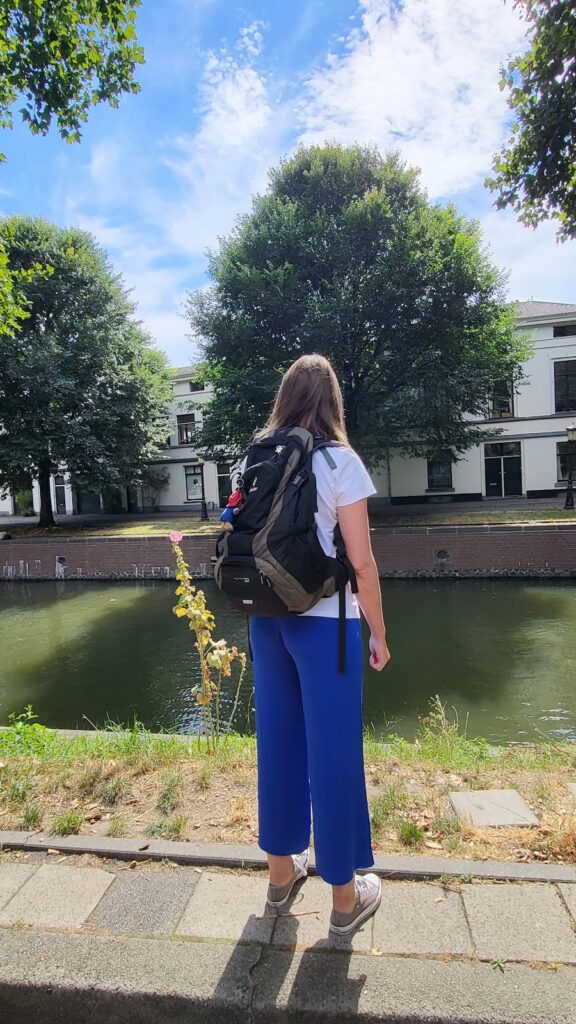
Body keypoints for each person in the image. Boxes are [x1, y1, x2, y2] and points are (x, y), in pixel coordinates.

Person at [247, 353, 391, 936]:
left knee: (278, 743)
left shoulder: (256, 454)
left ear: (284, 398)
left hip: (265, 619)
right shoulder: (340, 461)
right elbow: (362, 562)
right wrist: (378, 631)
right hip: (326, 624)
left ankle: (281, 881)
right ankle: (344, 901)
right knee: (333, 752)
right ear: (332, 400)